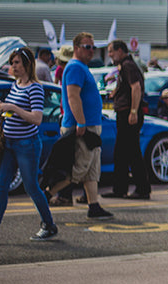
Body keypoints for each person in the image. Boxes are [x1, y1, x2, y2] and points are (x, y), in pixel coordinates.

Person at [0, 48, 58, 244]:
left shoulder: (35, 87)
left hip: (27, 145)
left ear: (26, 65)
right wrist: (1, 107)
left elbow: (36, 119)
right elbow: (12, 113)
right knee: (1, 187)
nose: (13, 66)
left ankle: (49, 225)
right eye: (12, 62)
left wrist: (13, 108)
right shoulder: (16, 85)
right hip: (8, 144)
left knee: (31, 186)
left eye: (17, 62)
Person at [47, 32, 112, 220]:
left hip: (90, 126)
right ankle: (46, 195)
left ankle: (94, 206)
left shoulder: (81, 67)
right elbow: (72, 96)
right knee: (78, 169)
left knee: (92, 169)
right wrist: (81, 121)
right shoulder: (75, 67)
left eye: (93, 47)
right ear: (76, 48)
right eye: (87, 47)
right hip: (81, 127)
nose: (91, 51)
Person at [104, 40, 150, 200]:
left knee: (132, 152)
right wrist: (115, 92)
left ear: (120, 51)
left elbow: (136, 87)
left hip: (128, 114)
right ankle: (120, 189)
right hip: (124, 113)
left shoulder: (128, 65)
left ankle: (142, 189)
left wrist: (133, 111)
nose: (110, 55)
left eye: (111, 51)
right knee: (122, 153)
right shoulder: (123, 66)